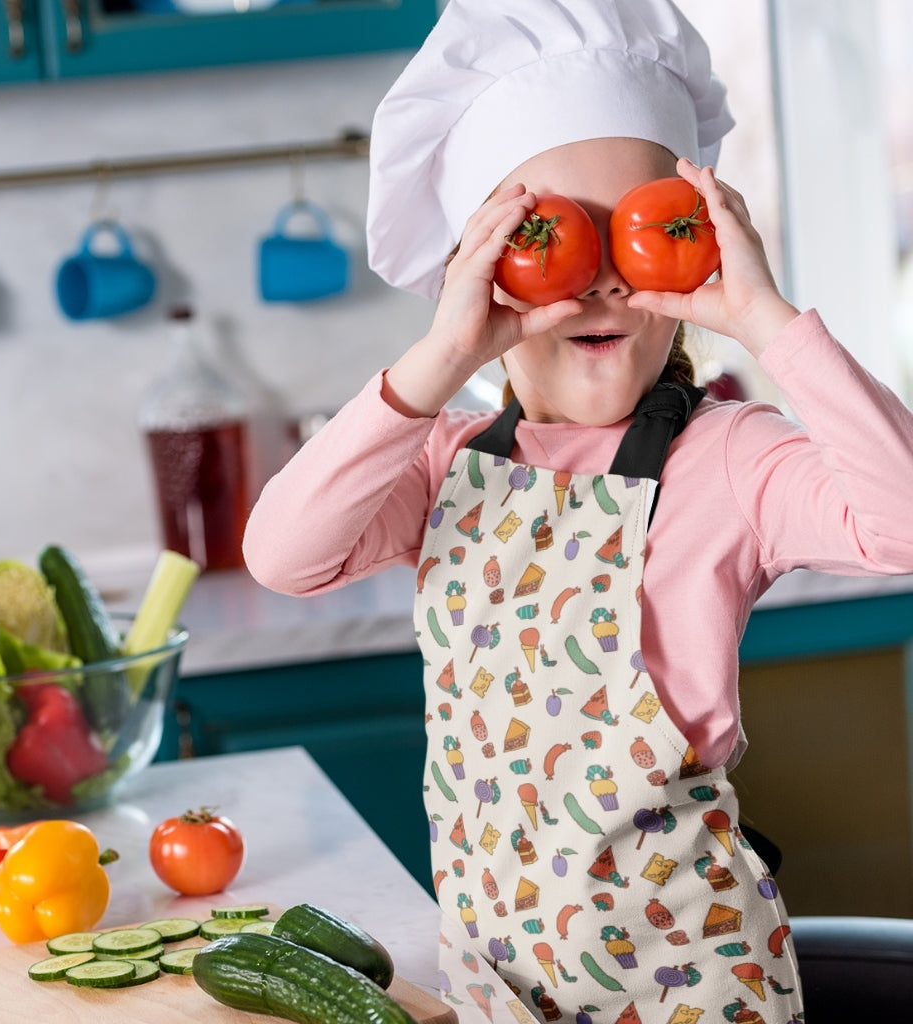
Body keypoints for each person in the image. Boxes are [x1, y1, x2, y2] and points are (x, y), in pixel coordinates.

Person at [244, 0, 913, 1019]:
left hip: (691, 993)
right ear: (475, 270)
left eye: (643, 235)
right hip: (497, 989)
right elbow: (282, 554)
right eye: (547, 237)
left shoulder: (727, 457)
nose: (599, 278)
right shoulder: (440, 463)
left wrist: (765, 319)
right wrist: (441, 357)